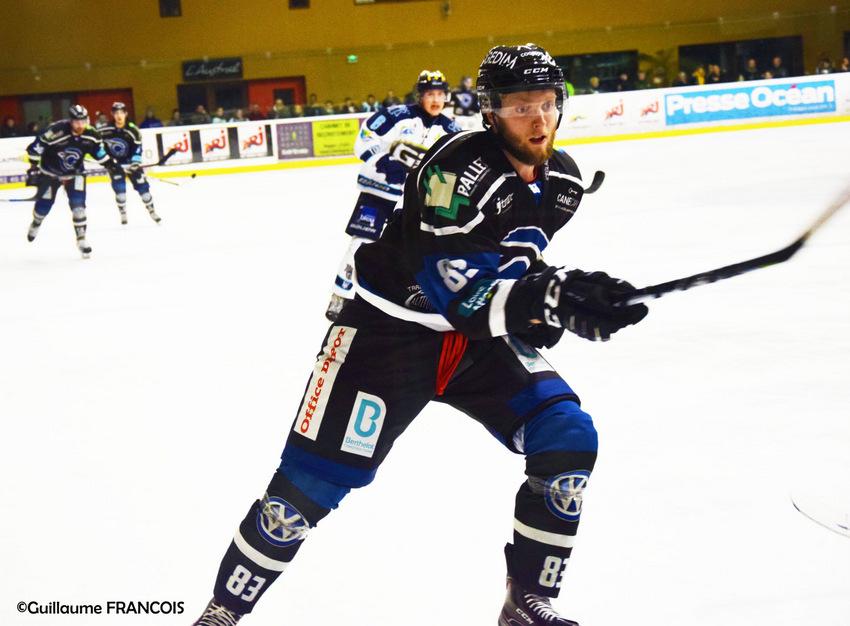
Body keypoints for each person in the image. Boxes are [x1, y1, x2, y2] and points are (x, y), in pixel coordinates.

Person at [191, 43, 649, 626]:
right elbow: (460, 296)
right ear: (490, 111)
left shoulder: (562, 182)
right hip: (385, 340)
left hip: (474, 344)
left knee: (568, 435)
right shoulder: (452, 172)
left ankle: (527, 601)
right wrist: (550, 297)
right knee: (302, 495)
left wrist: (564, 300)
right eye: (519, 107)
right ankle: (223, 613)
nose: (537, 120)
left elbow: (506, 267)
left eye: (546, 104)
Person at [324, 69, 461, 321]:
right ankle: (341, 294)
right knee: (362, 241)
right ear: (420, 95)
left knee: (410, 248)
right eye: (430, 94)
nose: (436, 99)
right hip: (380, 191)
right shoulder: (397, 115)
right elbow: (365, 137)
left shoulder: (451, 128)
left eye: (440, 94)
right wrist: (382, 160)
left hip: (416, 200)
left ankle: (390, 297)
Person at [25, 104, 118, 257]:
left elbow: (98, 151)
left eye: (83, 121)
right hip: (50, 174)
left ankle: (81, 239)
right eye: (76, 122)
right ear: (70, 121)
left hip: (75, 174)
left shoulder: (91, 134)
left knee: (78, 206)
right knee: (43, 207)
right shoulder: (56, 131)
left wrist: (109, 164)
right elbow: (35, 147)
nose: (80, 125)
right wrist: (33, 166)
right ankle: (36, 222)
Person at [99, 101, 161, 225]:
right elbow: (96, 145)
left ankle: (152, 211)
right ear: (112, 114)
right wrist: (108, 161)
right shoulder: (104, 130)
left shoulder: (133, 130)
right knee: (120, 191)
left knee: (144, 190)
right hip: (115, 165)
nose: (119, 116)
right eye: (116, 113)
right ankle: (123, 213)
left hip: (131, 163)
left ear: (126, 114)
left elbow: (138, 147)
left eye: (121, 113)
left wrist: (135, 162)